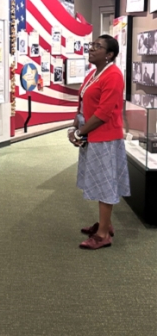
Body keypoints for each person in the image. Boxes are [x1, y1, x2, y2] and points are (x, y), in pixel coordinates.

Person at [68, 35, 130, 250]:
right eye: (92, 45)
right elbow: (84, 100)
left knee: (104, 184)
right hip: (92, 134)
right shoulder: (94, 73)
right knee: (97, 180)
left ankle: (103, 235)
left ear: (109, 54)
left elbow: (104, 112)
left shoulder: (113, 75)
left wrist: (81, 132)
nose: (92, 49)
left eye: (98, 46)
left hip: (105, 137)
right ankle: (106, 224)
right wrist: (76, 125)